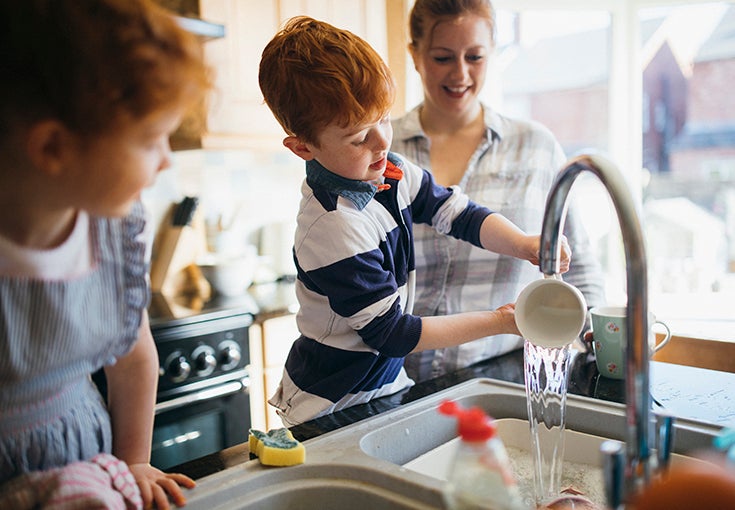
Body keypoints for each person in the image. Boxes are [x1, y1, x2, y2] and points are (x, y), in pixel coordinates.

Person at [258, 16, 572, 427]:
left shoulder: (389, 172)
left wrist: (524, 244)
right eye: (358, 136)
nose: (381, 141)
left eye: (384, 119)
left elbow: (459, 214)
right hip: (330, 406)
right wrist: (501, 322)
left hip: (383, 391)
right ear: (302, 147)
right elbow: (394, 334)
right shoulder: (333, 226)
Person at [0, 1, 211, 508]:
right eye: (149, 139)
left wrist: (133, 460)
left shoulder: (111, 230)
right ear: (53, 148)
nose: (166, 159)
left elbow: (134, 357)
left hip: (89, 458)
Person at [391, 0, 606, 382]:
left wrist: (599, 346)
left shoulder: (536, 147)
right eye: (442, 57)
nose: (460, 74)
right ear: (415, 54)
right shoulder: (382, 151)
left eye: (475, 57)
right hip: (398, 381)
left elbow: (580, 266)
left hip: (506, 374)